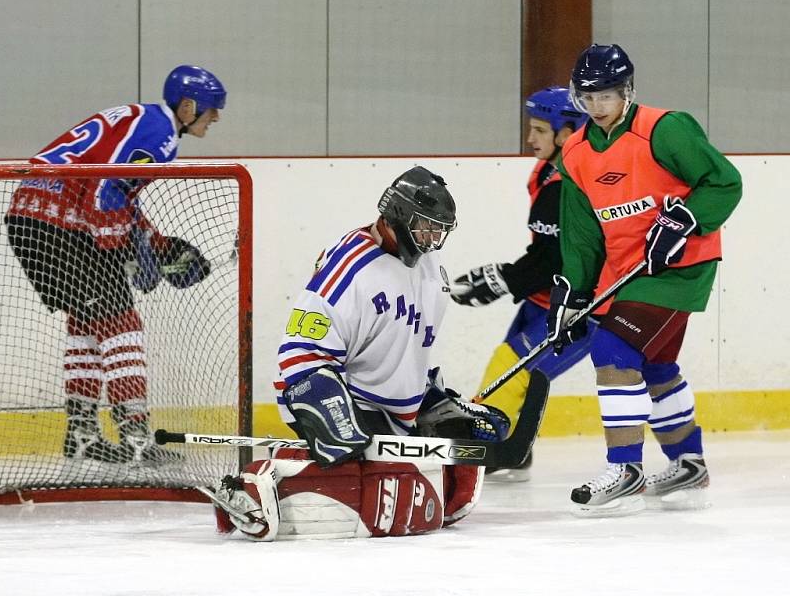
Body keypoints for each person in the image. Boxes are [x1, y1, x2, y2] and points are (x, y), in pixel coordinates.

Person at [211, 166, 511, 541]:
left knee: (460, 458)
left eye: (440, 231)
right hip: (341, 397)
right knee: (373, 481)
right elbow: (299, 353)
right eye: (426, 227)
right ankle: (252, 488)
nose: (433, 239)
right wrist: (333, 415)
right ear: (398, 214)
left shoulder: (431, 267)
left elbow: (412, 347)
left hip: (393, 410)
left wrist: (435, 399)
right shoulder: (348, 269)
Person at [548, 44, 742, 515]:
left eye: (608, 95)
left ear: (627, 91)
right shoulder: (574, 152)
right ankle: (688, 461)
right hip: (627, 271)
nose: (597, 106)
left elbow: (725, 182)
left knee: (613, 351)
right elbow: (582, 234)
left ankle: (625, 467)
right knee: (653, 366)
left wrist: (685, 221)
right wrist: (573, 292)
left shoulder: (665, 129)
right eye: (588, 96)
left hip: (678, 268)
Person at [5, 65, 227, 465]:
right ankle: (137, 437)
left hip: (32, 217)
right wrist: (125, 252)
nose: (216, 118)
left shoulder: (142, 118)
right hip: (59, 224)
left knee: (86, 323)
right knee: (121, 325)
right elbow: (104, 191)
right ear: (189, 105)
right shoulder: (159, 136)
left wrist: (156, 247)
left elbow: (119, 196)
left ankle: (83, 434)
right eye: (212, 109)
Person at [450, 87, 589, 480]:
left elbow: (556, 259)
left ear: (568, 132)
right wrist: (507, 279)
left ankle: (489, 449)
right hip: (545, 297)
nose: (530, 139)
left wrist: (503, 279)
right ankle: (513, 446)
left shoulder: (573, 184)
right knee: (510, 364)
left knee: (511, 367)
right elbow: (547, 253)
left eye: (540, 130)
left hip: (579, 305)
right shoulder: (548, 171)